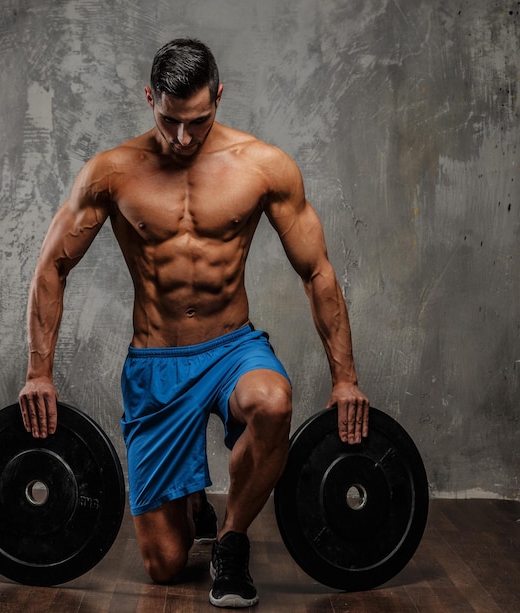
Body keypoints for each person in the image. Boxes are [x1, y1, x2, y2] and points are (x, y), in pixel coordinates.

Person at [18, 38, 369, 608]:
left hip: (233, 349)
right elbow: (51, 267)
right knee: (165, 567)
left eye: (198, 122)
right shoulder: (111, 173)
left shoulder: (262, 166)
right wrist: (39, 373)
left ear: (219, 99)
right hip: (157, 362)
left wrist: (346, 379)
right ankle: (191, 503)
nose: (182, 139)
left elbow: (318, 273)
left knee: (273, 402)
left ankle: (231, 540)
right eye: (168, 121)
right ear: (150, 97)